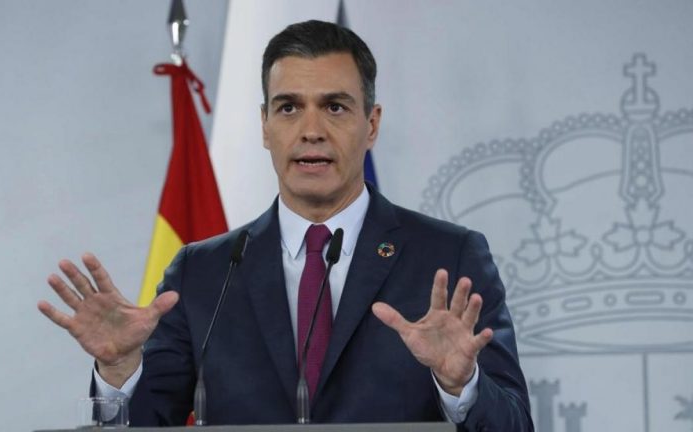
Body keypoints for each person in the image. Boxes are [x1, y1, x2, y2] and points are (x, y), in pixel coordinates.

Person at [38, 20, 533, 431]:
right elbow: (148, 422)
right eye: (289, 107)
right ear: (265, 125)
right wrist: (120, 369)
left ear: (372, 124)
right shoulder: (203, 272)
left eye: (335, 107)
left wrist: (461, 387)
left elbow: (515, 424)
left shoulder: (448, 259)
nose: (311, 130)